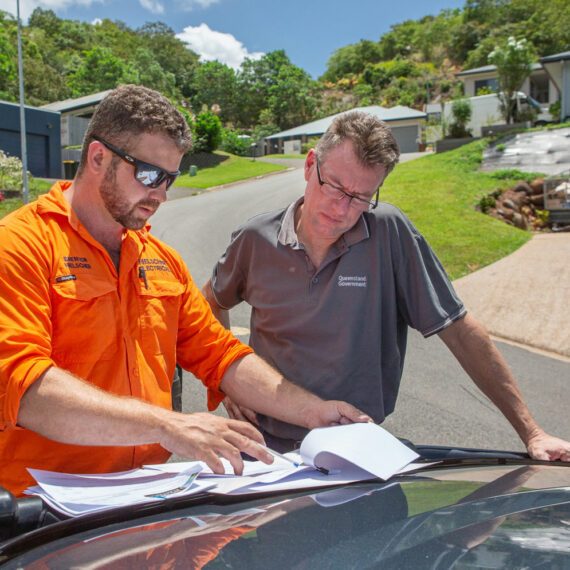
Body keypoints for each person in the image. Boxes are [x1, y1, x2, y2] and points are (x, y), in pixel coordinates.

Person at [0, 85, 370, 497]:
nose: (160, 193)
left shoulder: (161, 260)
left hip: (142, 499)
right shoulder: (18, 246)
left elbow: (220, 355)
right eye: (148, 174)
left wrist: (313, 412)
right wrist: (168, 424)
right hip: (38, 508)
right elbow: (23, 387)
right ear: (98, 157)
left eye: (170, 178)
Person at [202, 110, 570, 460]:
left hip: (359, 448)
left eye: (362, 197)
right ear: (311, 165)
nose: (342, 209)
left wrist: (532, 433)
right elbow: (209, 303)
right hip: (264, 447)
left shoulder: (389, 233)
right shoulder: (255, 238)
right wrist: (226, 379)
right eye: (335, 187)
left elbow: (459, 330)